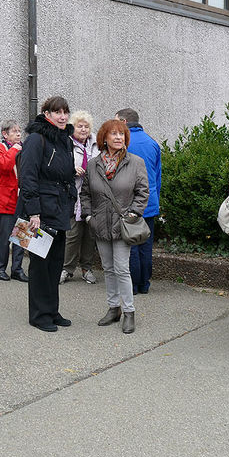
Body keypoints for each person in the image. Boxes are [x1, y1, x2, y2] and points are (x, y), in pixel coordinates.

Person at [81, 119, 149, 334]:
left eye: (122, 134)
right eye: (114, 134)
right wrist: (89, 216)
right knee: (108, 269)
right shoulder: (93, 164)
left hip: (123, 225)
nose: (119, 137)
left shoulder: (135, 162)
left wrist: (134, 213)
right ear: (104, 138)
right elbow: (85, 193)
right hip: (100, 224)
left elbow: (143, 191)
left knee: (121, 269)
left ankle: (129, 312)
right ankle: (113, 308)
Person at [17, 95, 76, 333]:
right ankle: (39, 315)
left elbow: (68, 174)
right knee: (40, 265)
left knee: (55, 263)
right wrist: (34, 212)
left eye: (65, 112)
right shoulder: (35, 139)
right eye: (57, 112)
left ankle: (52, 311)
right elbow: (28, 176)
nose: (62, 116)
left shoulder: (65, 140)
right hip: (40, 212)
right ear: (47, 114)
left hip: (60, 209)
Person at [116, 108, 161, 295]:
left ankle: (132, 285)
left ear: (124, 122)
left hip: (129, 203)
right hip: (149, 202)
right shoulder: (152, 143)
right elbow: (157, 177)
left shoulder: (123, 144)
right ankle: (144, 284)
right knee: (145, 245)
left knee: (130, 244)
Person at [61, 110, 99, 286]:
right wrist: (71, 170)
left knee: (90, 235)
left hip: (93, 195)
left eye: (86, 126)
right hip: (73, 195)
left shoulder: (97, 144)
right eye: (79, 126)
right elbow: (58, 167)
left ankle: (86, 268)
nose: (83, 129)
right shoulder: (66, 143)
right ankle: (66, 269)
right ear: (73, 127)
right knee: (73, 234)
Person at [0, 119, 27, 282]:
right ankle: (0, 268)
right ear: (5, 134)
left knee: (20, 236)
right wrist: (16, 149)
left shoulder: (23, 149)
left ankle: (17, 269)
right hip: (5, 202)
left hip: (22, 200)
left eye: (19, 131)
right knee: (5, 238)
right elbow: (4, 165)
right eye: (14, 131)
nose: (19, 134)